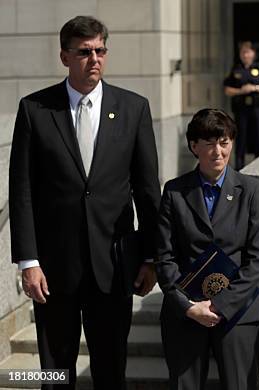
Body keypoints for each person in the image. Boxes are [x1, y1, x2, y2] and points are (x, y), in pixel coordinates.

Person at [9, 16, 160, 389]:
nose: (94, 58)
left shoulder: (134, 108)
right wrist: (29, 261)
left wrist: (151, 256)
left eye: (100, 50)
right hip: (54, 270)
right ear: (64, 57)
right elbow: (22, 191)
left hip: (114, 265)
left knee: (110, 370)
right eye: (84, 52)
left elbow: (146, 190)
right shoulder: (35, 110)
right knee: (55, 372)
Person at [156, 108, 259, 390]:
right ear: (194, 146)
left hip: (238, 311)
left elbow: (257, 259)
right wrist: (188, 307)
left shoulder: (251, 190)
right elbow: (164, 257)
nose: (218, 151)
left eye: (224, 142)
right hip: (187, 312)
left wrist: (221, 304)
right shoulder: (174, 192)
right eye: (209, 143)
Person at [223, 41, 259, 169]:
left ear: (253, 54)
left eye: (248, 52)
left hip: (257, 108)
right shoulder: (236, 69)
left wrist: (255, 88)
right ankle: (239, 168)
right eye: (243, 52)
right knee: (240, 139)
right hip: (241, 109)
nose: (245, 55)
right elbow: (227, 89)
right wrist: (241, 91)